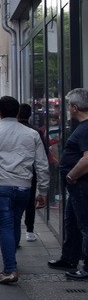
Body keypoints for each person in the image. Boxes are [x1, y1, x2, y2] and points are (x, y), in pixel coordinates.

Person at [0, 96, 49, 285]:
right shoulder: (31, 134)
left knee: (5, 225)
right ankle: (11, 259)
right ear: (17, 113)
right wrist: (43, 191)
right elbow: (42, 164)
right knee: (15, 222)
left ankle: (9, 268)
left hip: (0, 185)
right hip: (24, 185)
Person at [51, 88, 88, 279]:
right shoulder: (82, 127)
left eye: (68, 105)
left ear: (74, 107)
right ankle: (69, 257)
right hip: (76, 185)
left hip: (81, 183)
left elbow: (87, 159)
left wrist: (71, 176)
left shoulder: (85, 128)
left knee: (84, 224)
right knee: (72, 222)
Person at [18, 102, 45, 241]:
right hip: (30, 171)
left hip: (11, 172)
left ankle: (14, 230)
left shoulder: (9, 130)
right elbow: (42, 155)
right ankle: (29, 230)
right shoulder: (35, 131)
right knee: (29, 202)